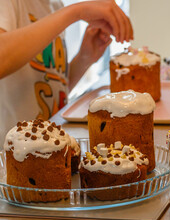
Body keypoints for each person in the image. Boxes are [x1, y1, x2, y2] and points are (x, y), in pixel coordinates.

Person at [0, 0, 133, 145]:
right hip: (13, 152)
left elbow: (55, 86)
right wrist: (76, 12)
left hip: (47, 145)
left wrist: (84, 58)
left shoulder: (55, 5)